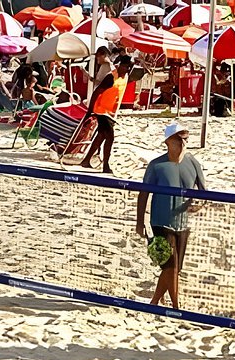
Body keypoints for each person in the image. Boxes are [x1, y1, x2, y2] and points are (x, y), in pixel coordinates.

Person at [136, 122, 206, 309]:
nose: (184, 143)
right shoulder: (157, 165)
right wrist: (139, 222)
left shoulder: (193, 163)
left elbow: (204, 192)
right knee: (170, 266)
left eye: (186, 138)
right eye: (179, 139)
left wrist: (199, 204)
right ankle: (176, 307)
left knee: (175, 269)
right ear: (168, 141)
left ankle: (154, 301)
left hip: (182, 222)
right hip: (160, 220)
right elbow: (143, 194)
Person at [79, 55, 132, 174]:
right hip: (101, 110)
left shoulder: (126, 77)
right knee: (110, 137)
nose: (127, 69)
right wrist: (90, 110)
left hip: (110, 112)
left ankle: (86, 160)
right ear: (120, 65)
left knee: (101, 135)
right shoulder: (111, 77)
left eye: (129, 67)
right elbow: (96, 92)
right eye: (125, 67)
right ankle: (105, 165)